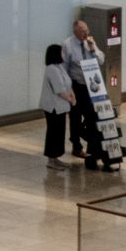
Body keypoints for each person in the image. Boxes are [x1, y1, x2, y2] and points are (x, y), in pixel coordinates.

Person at [65, 19, 118, 170]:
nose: (86, 34)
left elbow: (101, 60)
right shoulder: (68, 45)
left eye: (87, 31)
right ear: (75, 31)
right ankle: (76, 144)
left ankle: (91, 148)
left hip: (92, 86)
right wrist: (68, 88)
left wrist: (93, 48)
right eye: (83, 31)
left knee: (91, 116)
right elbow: (65, 67)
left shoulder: (90, 43)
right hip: (76, 85)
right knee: (75, 116)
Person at [42, 42, 77, 171]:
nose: (63, 54)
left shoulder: (59, 67)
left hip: (61, 106)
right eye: (61, 52)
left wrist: (72, 96)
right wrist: (71, 100)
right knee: (53, 132)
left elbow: (68, 83)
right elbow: (59, 90)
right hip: (53, 107)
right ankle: (51, 159)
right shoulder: (51, 69)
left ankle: (56, 158)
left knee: (59, 132)